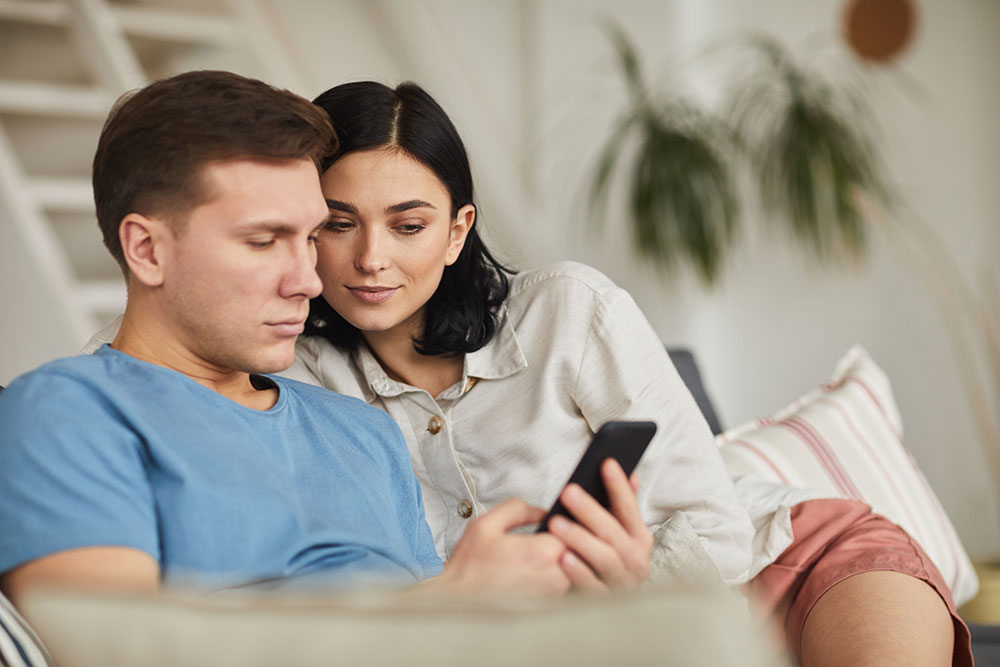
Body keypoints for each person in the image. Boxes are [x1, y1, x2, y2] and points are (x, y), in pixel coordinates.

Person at [286, 81, 971, 666]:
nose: (371, 258)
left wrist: (636, 576)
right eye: (339, 223)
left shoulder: (568, 310)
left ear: (458, 231)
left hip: (780, 564)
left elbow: (727, 538)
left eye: (408, 225)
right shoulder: (300, 382)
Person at [0, 71, 652, 609]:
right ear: (146, 249)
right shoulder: (67, 413)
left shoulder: (359, 432)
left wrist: (582, 604)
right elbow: (119, 652)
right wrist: (445, 608)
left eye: (311, 238)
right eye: (264, 241)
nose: (310, 280)